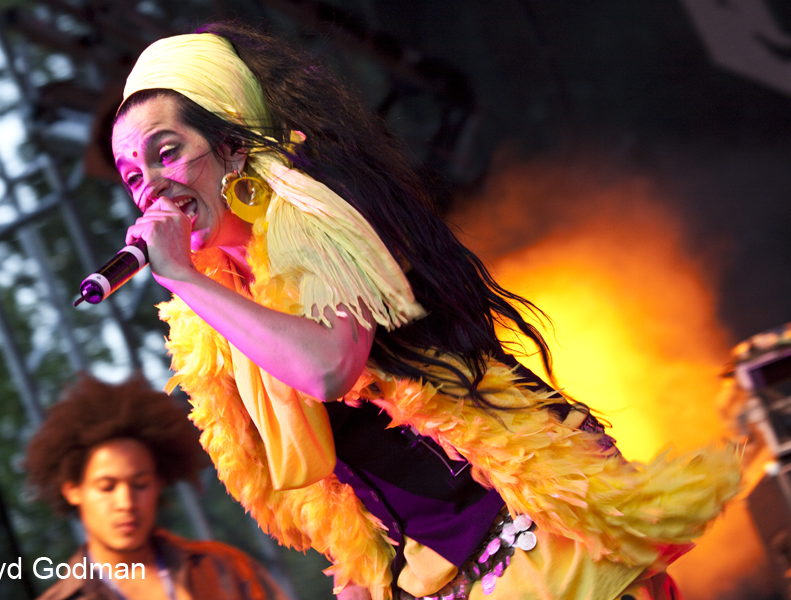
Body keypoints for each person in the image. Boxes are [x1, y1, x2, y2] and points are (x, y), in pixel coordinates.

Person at [111, 22, 740, 600]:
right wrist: (367, 568)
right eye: (131, 175)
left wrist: (182, 279)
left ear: (233, 145)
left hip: (538, 544)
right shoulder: (218, 306)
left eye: (166, 153)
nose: (149, 186)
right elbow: (322, 477)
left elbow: (329, 365)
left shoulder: (310, 217)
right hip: (442, 576)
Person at [24, 373, 289, 600]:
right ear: (73, 490)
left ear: (159, 482)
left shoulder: (224, 568)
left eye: (140, 485)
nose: (126, 502)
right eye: (107, 487)